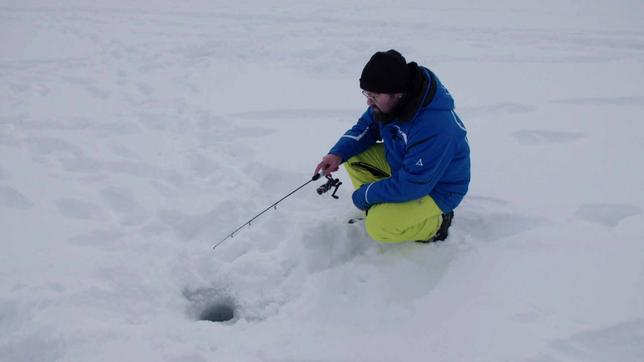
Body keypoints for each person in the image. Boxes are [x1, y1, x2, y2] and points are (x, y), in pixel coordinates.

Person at [314, 49, 470, 243]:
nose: (368, 101)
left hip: (438, 188)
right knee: (353, 156)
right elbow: (365, 128)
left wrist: (364, 196)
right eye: (367, 93)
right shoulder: (389, 103)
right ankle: (386, 208)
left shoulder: (434, 125)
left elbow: (413, 183)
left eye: (374, 95)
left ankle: (438, 223)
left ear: (397, 94)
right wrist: (337, 154)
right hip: (407, 168)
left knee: (380, 227)